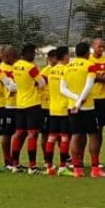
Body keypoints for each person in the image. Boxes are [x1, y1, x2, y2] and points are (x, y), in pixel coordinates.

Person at [60, 41, 105, 178]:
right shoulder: (90, 65)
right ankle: (95, 169)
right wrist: (80, 102)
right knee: (93, 134)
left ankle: (77, 169)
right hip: (87, 106)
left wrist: (75, 100)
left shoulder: (67, 67)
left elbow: (62, 89)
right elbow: (89, 86)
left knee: (75, 135)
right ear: (87, 53)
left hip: (71, 106)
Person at [10, 44, 47, 174]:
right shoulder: (31, 67)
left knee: (19, 133)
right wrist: (35, 83)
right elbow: (42, 83)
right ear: (29, 53)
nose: (34, 56)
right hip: (32, 104)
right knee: (33, 134)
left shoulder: (15, 65)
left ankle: (15, 165)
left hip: (20, 104)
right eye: (34, 54)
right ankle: (32, 166)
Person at [44, 46, 71, 176]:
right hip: (64, 108)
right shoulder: (67, 70)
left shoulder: (51, 71)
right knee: (65, 138)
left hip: (52, 108)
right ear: (65, 56)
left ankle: (49, 166)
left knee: (51, 137)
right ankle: (62, 167)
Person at [88, 39, 105, 168]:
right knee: (85, 131)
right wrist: (100, 77)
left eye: (103, 46)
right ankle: (79, 161)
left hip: (102, 99)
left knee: (99, 130)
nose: (101, 48)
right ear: (93, 46)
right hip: (89, 98)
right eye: (99, 46)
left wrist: (95, 77)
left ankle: (96, 160)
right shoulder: (87, 60)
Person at [0, 47, 19, 170]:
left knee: (18, 133)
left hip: (18, 104)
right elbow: (11, 87)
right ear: (8, 57)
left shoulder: (14, 68)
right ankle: (7, 160)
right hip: (7, 105)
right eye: (15, 57)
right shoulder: (3, 69)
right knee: (7, 133)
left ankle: (15, 160)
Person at [39, 49, 58, 161]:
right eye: (56, 57)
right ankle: (47, 159)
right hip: (46, 107)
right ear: (50, 59)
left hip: (57, 106)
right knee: (45, 134)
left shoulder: (59, 70)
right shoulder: (45, 72)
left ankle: (65, 157)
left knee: (60, 133)